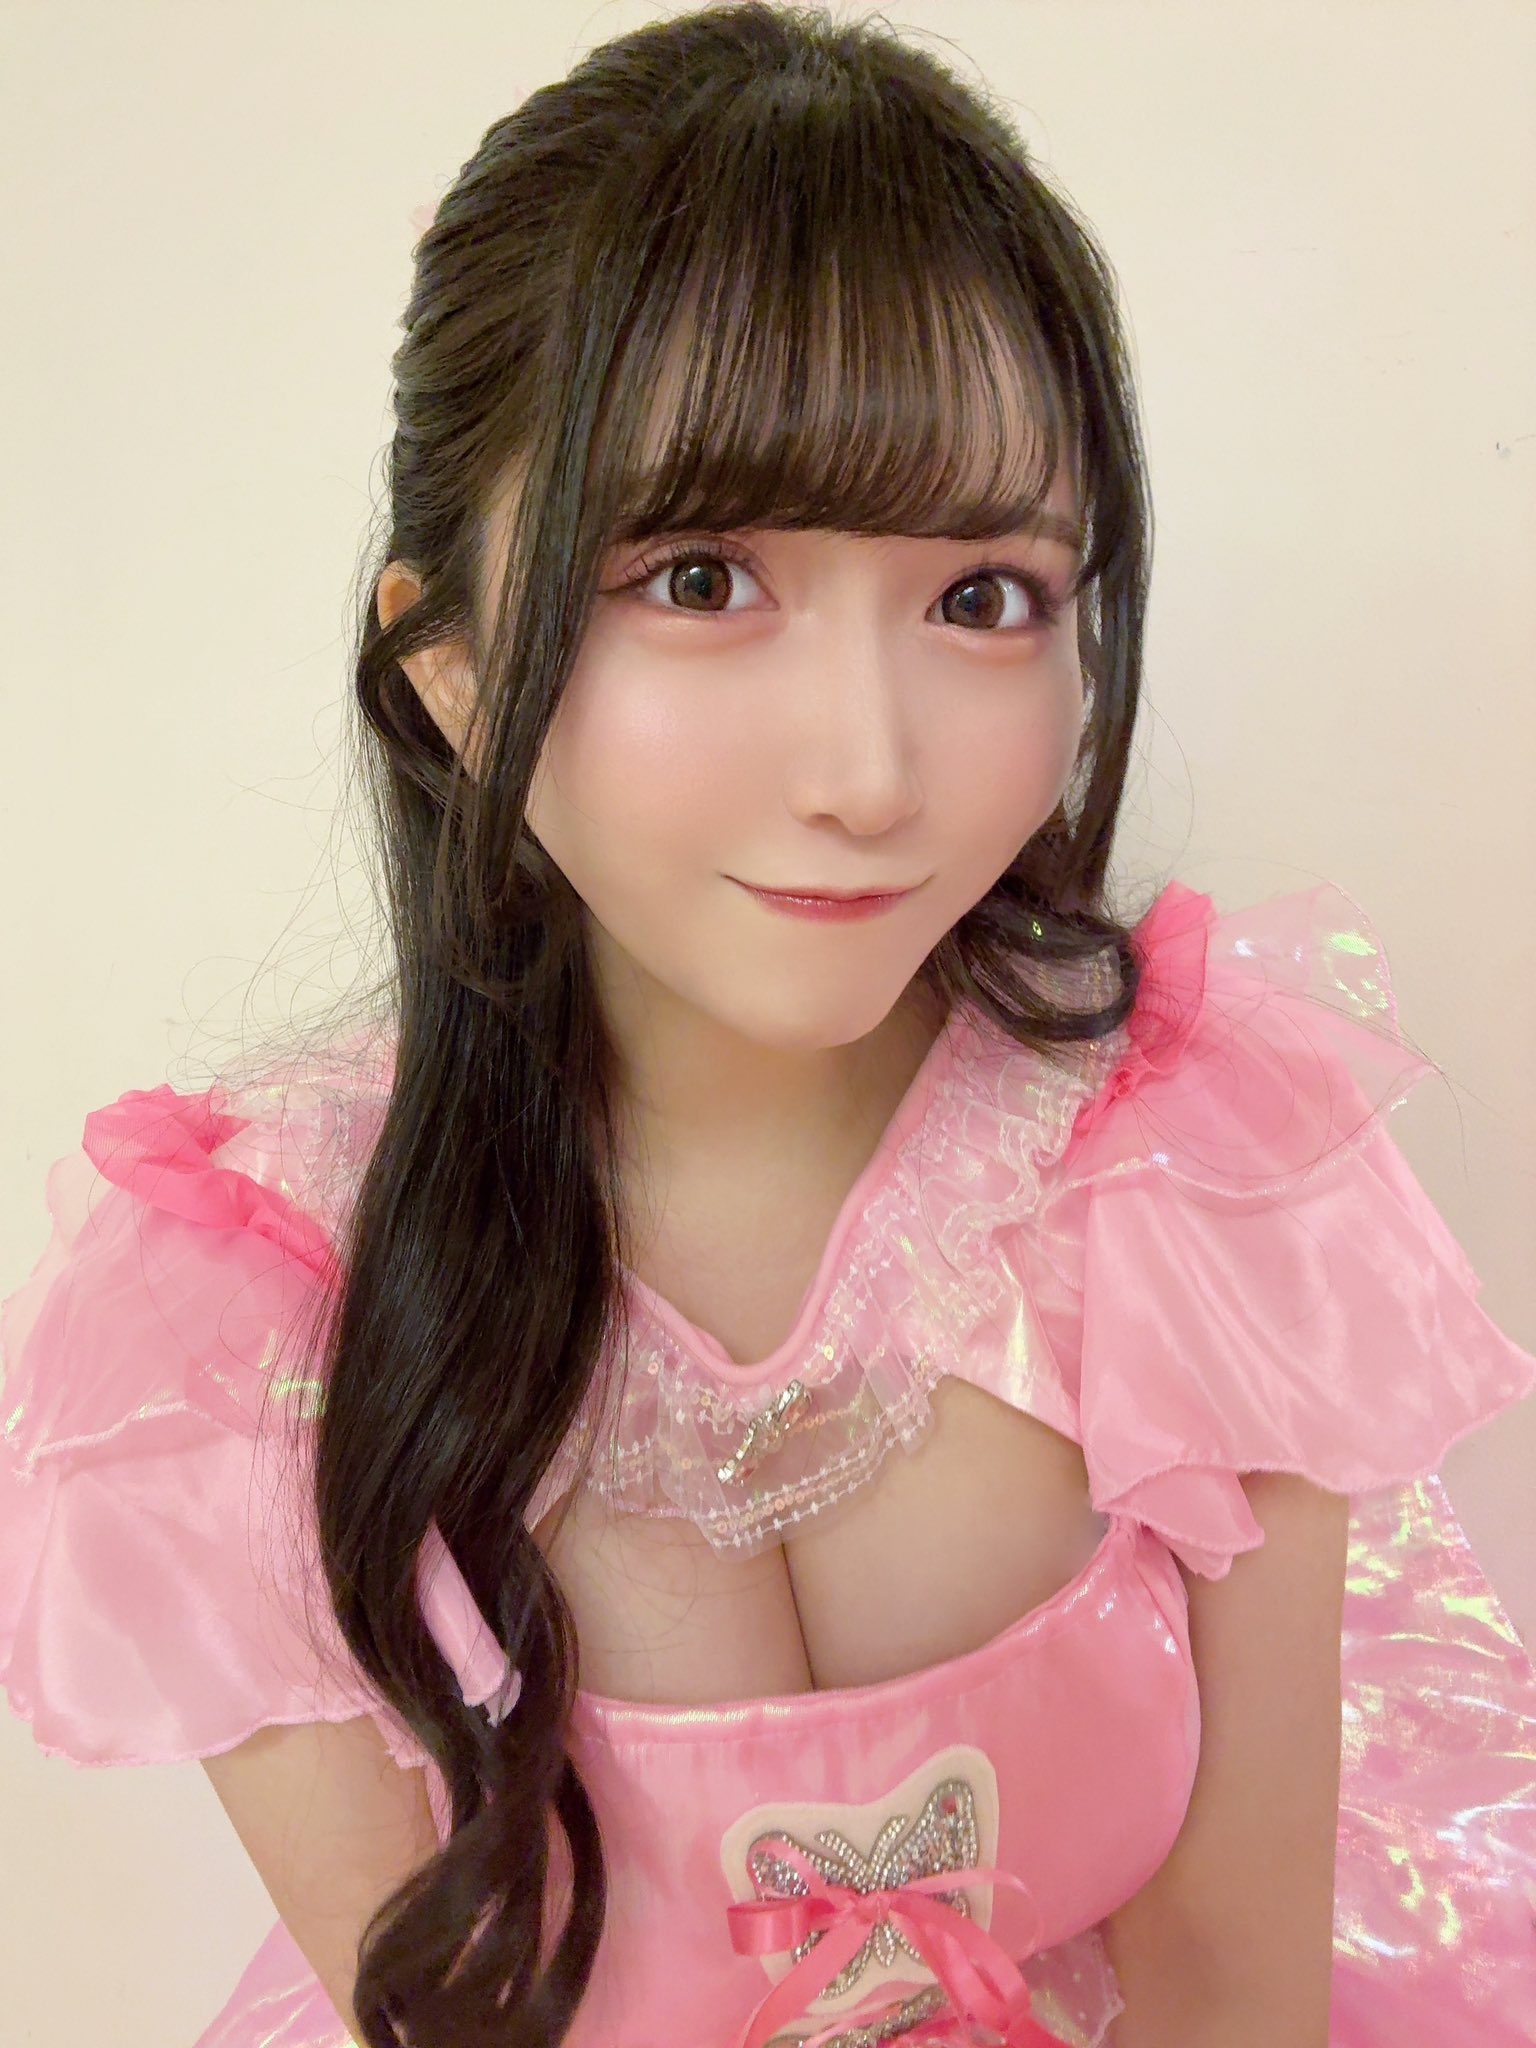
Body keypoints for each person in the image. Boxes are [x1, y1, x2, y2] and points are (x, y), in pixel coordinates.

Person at [2, 6, 1533, 2046]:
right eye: (705, 576)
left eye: (983, 595)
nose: (870, 772)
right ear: (448, 664)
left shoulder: (1193, 1173)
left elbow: (1234, 1993)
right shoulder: (240, 1342)